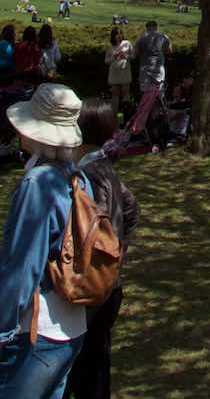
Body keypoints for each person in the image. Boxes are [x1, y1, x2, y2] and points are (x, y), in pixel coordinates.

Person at [0, 83, 94, 397]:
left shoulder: (37, 184)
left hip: (36, 331)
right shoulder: (79, 179)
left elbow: (22, 265)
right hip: (72, 326)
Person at [68, 102, 142, 399]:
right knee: (95, 359)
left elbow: (95, 223)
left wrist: (108, 253)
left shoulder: (91, 173)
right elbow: (131, 208)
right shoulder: (103, 167)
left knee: (87, 363)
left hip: (96, 284)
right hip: (109, 283)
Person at [134, 20, 171, 110]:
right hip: (159, 68)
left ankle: (146, 113)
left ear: (147, 27)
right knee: (159, 93)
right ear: (156, 27)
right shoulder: (163, 36)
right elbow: (169, 50)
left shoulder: (142, 37)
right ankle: (158, 113)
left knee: (145, 92)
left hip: (145, 68)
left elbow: (136, 53)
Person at [105, 28, 133, 113]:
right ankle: (114, 114)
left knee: (125, 92)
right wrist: (114, 57)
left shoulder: (127, 44)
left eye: (119, 34)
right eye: (116, 34)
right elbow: (106, 61)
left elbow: (133, 56)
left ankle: (126, 112)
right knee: (115, 94)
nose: (118, 36)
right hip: (114, 73)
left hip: (125, 72)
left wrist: (126, 56)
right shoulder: (110, 47)